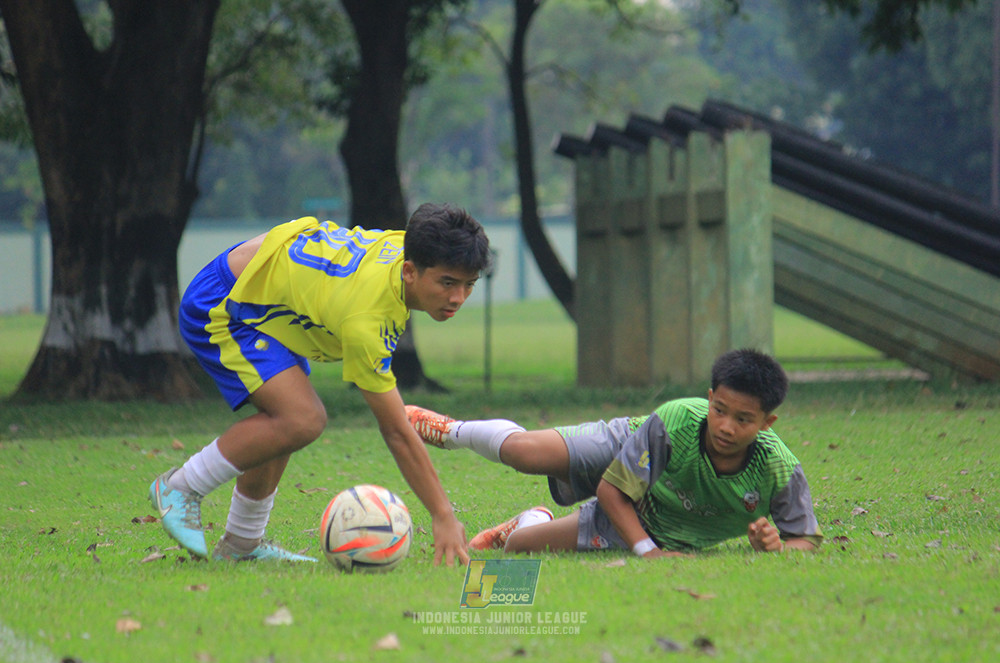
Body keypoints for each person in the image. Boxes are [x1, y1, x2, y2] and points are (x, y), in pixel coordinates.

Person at [150, 203, 491, 563]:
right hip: (225, 304)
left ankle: (241, 544)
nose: (458, 298)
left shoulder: (407, 247)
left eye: (469, 284)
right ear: (410, 271)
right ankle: (180, 489)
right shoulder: (369, 318)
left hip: (267, 297)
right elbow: (395, 430)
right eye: (447, 283)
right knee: (301, 418)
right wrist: (442, 514)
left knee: (288, 417)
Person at [406, 349, 822, 557]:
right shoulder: (677, 420)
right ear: (709, 398)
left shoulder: (779, 467)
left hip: (650, 516)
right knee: (524, 453)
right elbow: (612, 491)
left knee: (517, 547)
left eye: (744, 420)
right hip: (630, 445)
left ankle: (529, 520)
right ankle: (452, 430)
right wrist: (649, 553)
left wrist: (777, 548)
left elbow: (804, 538)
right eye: (719, 411)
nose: (727, 427)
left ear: (767, 423)